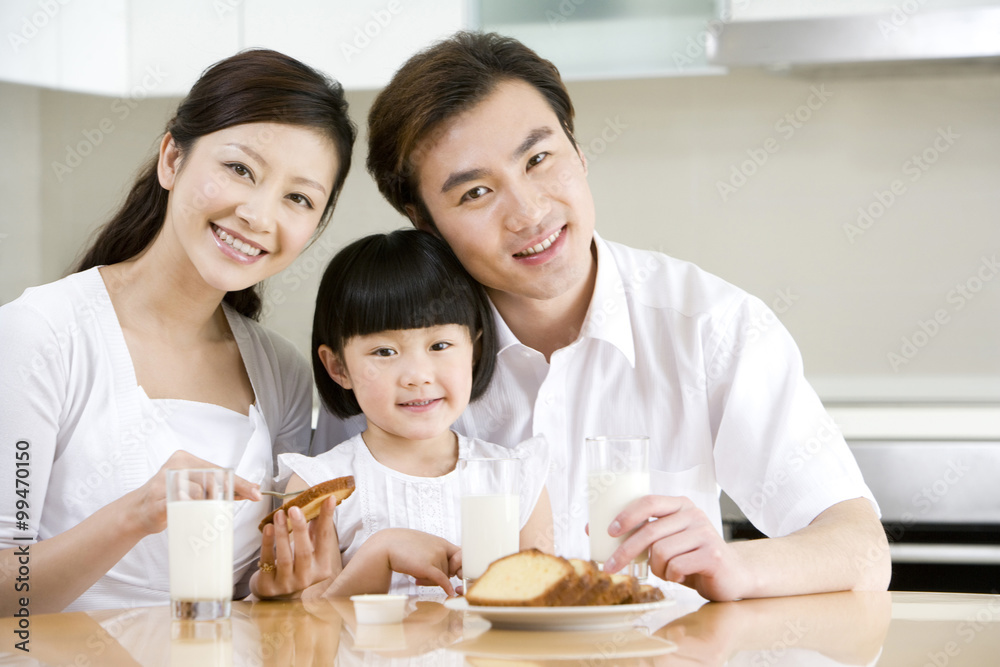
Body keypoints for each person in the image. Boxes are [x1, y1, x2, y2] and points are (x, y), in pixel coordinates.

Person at [316, 31, 891, 601]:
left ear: (579, 153)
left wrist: (738, 565)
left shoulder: (712, 325)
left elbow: (859, 549)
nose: (529, 212)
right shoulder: (388, 358)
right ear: (426, 223)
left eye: (539, 159)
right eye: (475, 193)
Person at [0, 48, 357, 614]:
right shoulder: (41, 334)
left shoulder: (280, 370)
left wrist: (282, 584)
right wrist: (136, 515)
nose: (259, 216)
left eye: (298, 198)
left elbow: (265, 586)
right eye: (240, 169)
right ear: (172, 158)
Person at [253, 230, 552, 599]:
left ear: (473, 350)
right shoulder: (319, 487)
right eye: (384, 352)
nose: (417, 376)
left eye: (440, 345)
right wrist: (378, 554)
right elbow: (313, 626)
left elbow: (541, 610)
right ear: (338, 368)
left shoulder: (517, 479)